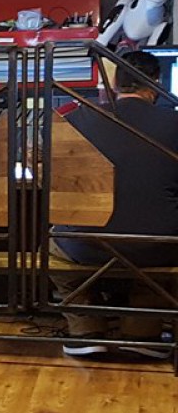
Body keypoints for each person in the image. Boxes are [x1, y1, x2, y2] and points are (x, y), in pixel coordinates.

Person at [51, 50, 178, 359]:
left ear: (114, 83)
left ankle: (85, 330)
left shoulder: (77, 119)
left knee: (54, 240)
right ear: (156, 83)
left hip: (88, 244)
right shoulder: (175, 122)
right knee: (157, 245)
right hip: (160, 246)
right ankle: (144, 333)